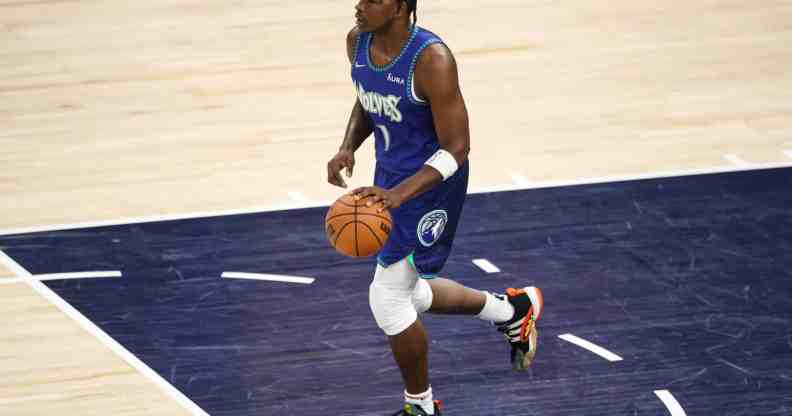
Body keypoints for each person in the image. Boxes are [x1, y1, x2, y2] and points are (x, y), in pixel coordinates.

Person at [326, 1, 544, 414]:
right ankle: (512, 310)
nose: (359, 5)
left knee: (388, 298)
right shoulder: (358, 42)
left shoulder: (431, 59)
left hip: (434, 184)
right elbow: (368, 98)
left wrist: (402, 194)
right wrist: (347, 147)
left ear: (400, 7)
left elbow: (458, 148)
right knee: (407, 291)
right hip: (390, 179)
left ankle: (421, 407)